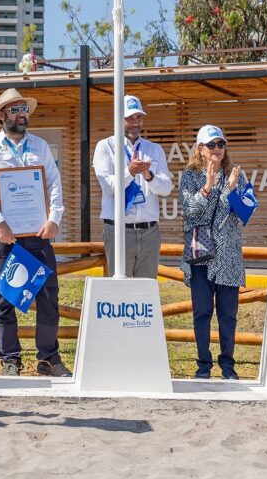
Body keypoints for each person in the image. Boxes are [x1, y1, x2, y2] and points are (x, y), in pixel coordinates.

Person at [0, 88, 67, 377]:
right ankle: (10, 359)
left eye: (24, 109)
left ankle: (49, 358)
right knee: (6, 296)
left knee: (49, 294)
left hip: (37, 233)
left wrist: (54, 218)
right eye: (15, 110)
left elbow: (53, 182)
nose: (22, 114)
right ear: (2, 116)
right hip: (2, 233)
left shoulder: (40, 146)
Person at [178, 125, 246, 380]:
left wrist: (230, 190)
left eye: (221, 144)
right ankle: (203, 365)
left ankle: (228, 365)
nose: (217, 149)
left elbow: (244, 213)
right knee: (202, 312)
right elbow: (192, 213)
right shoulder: (189, 176)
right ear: (201, 150)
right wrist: (207, 187)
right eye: (211, 145)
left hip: (228, 254)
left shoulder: (237, 174)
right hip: (201, 254)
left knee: (228, 314)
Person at [91, 94, 171, 279]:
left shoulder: (154, 149)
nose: (135, 123)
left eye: (138, 117)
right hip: (118, 230)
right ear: (118, 119)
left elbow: (166, 188)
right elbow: (108, 187)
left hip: (150, 231)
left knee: (146, 290)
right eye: (129, 118)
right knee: (119, 291)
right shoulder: (105, 146)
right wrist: (130, 172)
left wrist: (148, 176)